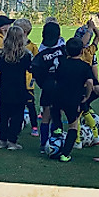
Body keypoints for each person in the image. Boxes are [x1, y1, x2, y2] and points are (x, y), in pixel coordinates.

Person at [49, 37, 99, 163]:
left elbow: (55, 79)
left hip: (58, 97)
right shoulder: (84, 66)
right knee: (73, 126)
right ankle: (65, 154)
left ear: (66, 50)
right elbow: (89, 82)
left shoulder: (61, 63)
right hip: (73, 100)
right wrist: (87, 96)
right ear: (82, 51)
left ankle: (57, 133)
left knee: (56, 117)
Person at [31, 21, 67, 151]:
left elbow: (36, 71)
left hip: (48, 86)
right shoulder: (63, 50)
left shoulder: (41, 53)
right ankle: (56, 141)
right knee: (57, 114)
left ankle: (44, 143)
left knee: (46, 115)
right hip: (61, 86)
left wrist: (43, 84)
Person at [0, 26, 32, 151]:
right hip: (19, 89)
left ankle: (2, 140)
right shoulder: (24, 56)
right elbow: (29, 68)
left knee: (4, 115)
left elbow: (0, 69)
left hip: (5, 88)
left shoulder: (2, 55)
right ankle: (12, 140)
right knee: (17, 116)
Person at [13, 18, 40, 136]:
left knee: (30, 104)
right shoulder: (12, 45)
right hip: (15, 80)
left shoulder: (32, 47)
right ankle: (13, 123)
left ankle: (34, 126)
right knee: (14, 103)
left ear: (24, 32)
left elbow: (38, 61)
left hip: (28, 81)